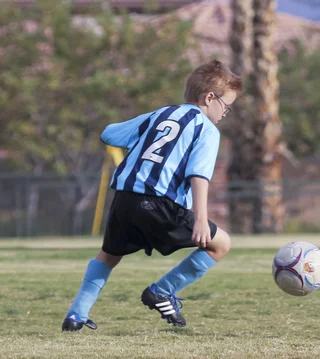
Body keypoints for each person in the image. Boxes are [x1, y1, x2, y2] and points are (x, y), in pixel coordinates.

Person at [62, 60, 243, 331]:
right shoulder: (206, 129)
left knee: (109, 256)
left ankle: (76, 315)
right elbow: (199, 175)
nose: (226, 112)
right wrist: (201, 219)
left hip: (124, 198)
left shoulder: (160, 114)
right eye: (227, 106)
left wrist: (146, 137)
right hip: (159, 202)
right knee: (221, 244)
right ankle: (162, 291)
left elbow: (109, 134)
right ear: (209, 98)